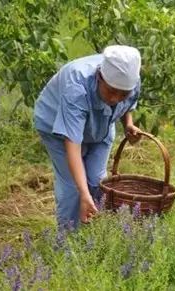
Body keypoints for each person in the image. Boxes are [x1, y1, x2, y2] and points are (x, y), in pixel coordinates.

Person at [34, 45, 142, 228]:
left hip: (101, 124)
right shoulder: (76, 85)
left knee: (98, 181)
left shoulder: (132, 80)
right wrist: (83, 194)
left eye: (122, 93)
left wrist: (128, 124)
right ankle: (67, 242)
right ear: (99, 77)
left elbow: (128, 102)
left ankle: (95, 229)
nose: (116, 98)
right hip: (56, 126)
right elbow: (73, 144)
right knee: (73, 188)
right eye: (111, 91)